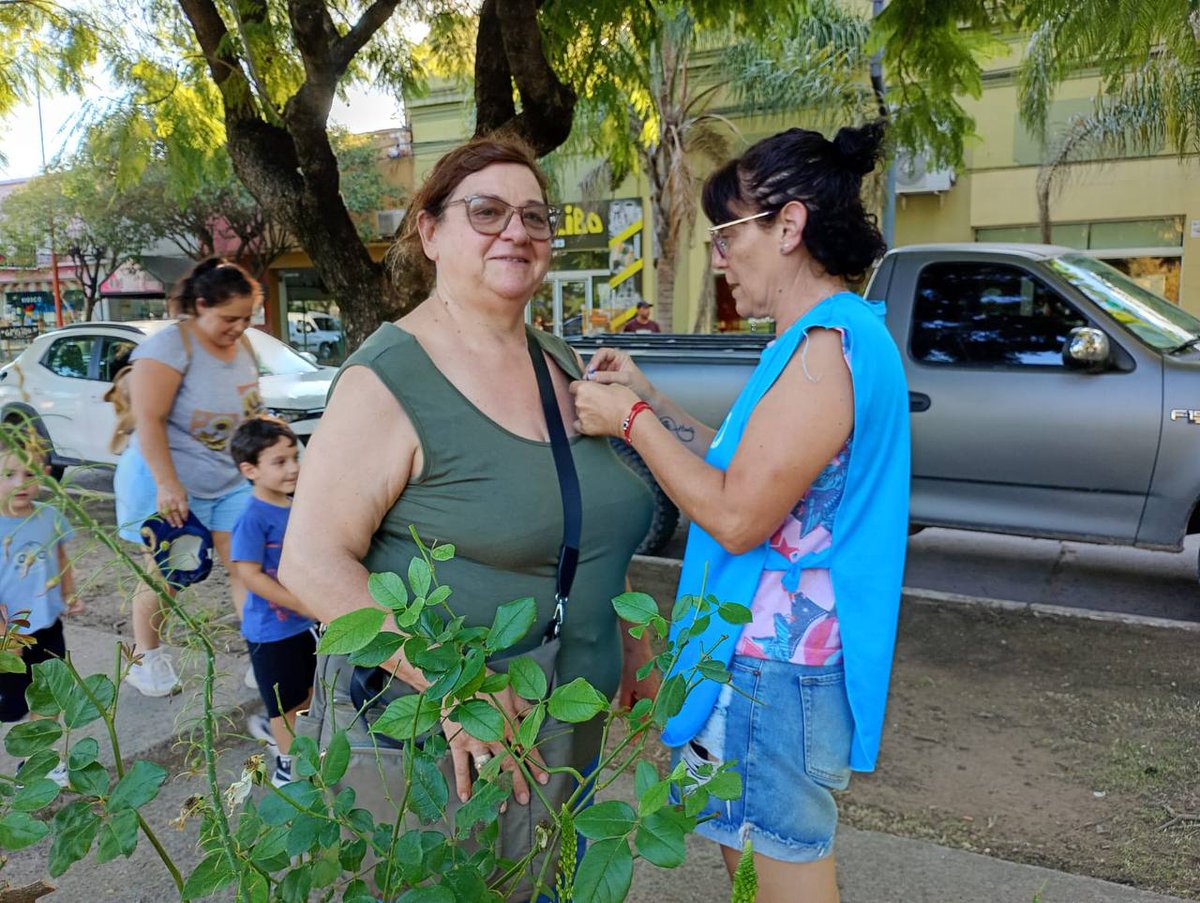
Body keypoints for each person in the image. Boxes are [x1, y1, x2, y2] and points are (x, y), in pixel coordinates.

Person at [277, 136, 657, 863]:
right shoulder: (387, 378)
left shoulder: (559, 359)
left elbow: (585, 523)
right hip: (432, 731)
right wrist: (457, 688)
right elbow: (312, 562)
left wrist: (632, 638)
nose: (515, 231)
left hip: (564, 714)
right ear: (430, 232)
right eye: (486, 211)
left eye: (534, 216)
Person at [571, 122, 910, 903]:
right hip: (770, 666)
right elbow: (735, 467)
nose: (717, 257)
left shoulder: (825, 349)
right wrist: (650, 398)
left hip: (773, 672)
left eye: (727, 235)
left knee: (780, 887)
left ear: (789, 226)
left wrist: (627, 422)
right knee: (758, 880)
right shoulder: (813, 342)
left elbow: (734, 515)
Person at [114, 258, 265, 697]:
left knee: (247, 567)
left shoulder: (244, 347)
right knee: (170, 576)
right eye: (229, 318)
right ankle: (147, 658)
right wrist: (167, 484)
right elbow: (150, 421)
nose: (239, 327)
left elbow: (249, 409)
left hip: (229, 478)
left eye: (247, 318)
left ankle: (262, 654)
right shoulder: (168, 349)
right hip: (171, 481)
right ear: (200, 305)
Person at [229, 417, 313, 788]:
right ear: (250, 470)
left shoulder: (294, 505)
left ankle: (292, 743)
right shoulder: (252, 517)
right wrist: (301, 603)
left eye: (294, 457)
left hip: (303, 626)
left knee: (306, 694)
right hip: (272, 632)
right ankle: (286, 769)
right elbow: (249, 574)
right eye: (279, 462)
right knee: (286, 706)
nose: (293, 467)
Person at [0, 432, 82, 787]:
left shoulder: (50, 516)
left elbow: (61, 556)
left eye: (31, 474)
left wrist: (69, 591)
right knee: (10, 704)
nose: (21, 483)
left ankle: (36, 766)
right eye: (9, 475)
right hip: (7, 634)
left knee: (50, 695)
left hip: (47, 626)